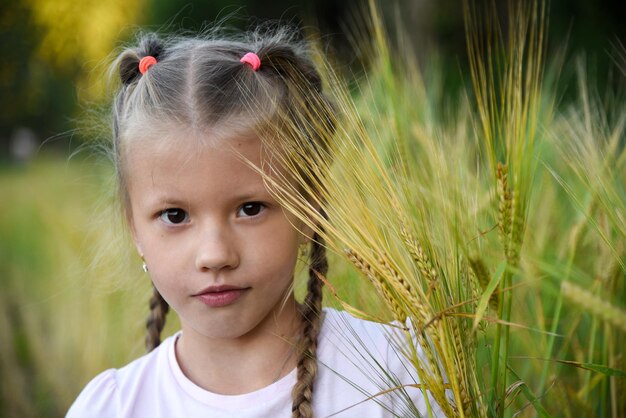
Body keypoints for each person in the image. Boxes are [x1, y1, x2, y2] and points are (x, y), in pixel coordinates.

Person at [66, 28, 441, 418]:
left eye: (250, 208)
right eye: (175, 216)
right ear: (135, 230)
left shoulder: (395, 375)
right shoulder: (110, 407)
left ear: (307, 207)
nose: (215, 255)